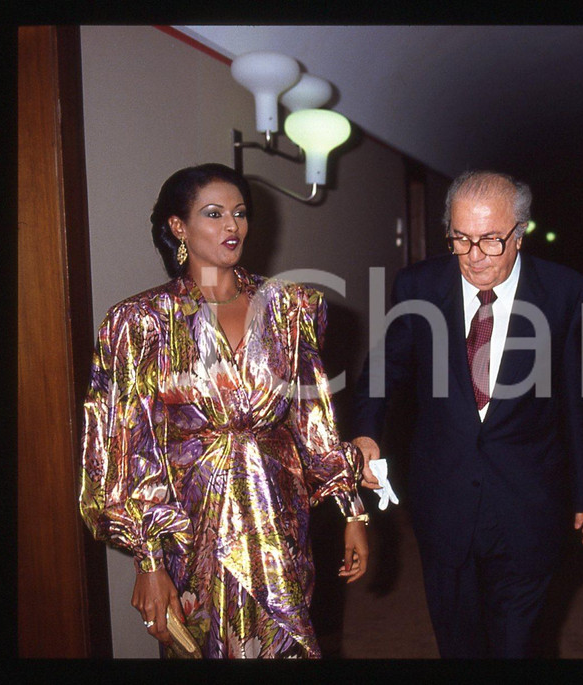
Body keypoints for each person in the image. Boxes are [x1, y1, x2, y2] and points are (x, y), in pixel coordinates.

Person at [79, 163, 368, 659]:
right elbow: (125, 445)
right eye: (213, 214)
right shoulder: (139, 322)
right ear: (178, 227)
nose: (232, 226)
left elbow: (311, 418)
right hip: (192, 530)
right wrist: (149, 560)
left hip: (280, 518)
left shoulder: (290, 307)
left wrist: (351, 509)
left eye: (239, 213)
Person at [352, 170, 583, 658]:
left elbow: (579, 397)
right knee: (458, 641)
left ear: (520, 233)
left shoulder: (565, 290)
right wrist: (366, 432)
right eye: (461, 239)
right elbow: (384, 369)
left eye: (491, 240)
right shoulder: (417, 286)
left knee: (519, 643)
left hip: (530, 498)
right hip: (443, 498)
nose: (473, 256)